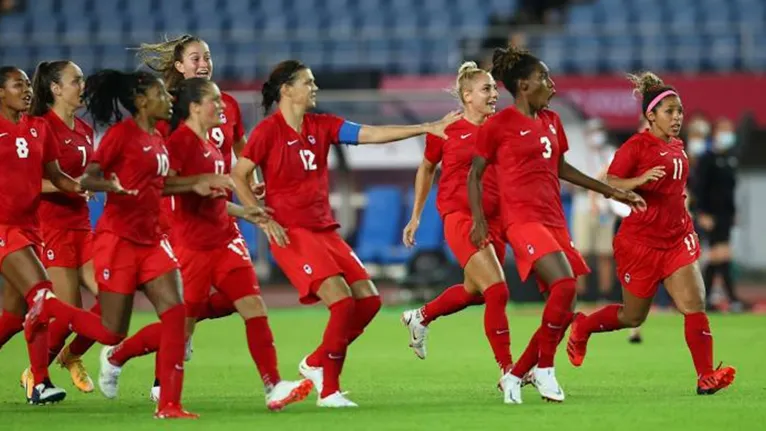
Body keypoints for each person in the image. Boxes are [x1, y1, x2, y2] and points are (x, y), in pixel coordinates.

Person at [231, 59, 459, 407]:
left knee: (368, 302)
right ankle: (329, 391)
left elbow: (371, 133)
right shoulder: (267, 132)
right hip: (292, 233)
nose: (314, 88)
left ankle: (316, 360)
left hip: (325, 230)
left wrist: (427, 127)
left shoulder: (321, 126)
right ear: (287, 90)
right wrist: (261, 219)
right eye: (308, 82)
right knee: (341, 302)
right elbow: (238, 175)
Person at [101, 78, 313, 411]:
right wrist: (193, 184)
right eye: (214, 101)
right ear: (196, 107)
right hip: (192, 247)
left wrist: (245, 212)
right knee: (180, 331)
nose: (223, 106)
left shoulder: (214, 148)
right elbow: (158, 185)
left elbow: (214, 198)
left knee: (254, 307)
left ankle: (273, 385)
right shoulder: (179, 144)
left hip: (225, 240)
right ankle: (120, 355)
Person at [467, 45, 645, 404]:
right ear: (523, 85)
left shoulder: (551, 121)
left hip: (554, 220)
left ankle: (515, 375)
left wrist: (611, 192)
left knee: (563, 309)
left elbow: (562, 169)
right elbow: (475, 174)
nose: (552, 84)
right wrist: (480, 219)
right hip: (523, 220)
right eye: (544, 78)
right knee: (564, 286)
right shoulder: (498, 125)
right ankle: (545, 369)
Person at [566, 72, 736, 395]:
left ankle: (705, 377)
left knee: (695, 302)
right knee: (632, 317)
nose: (677, 118)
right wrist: (639, 180)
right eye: (669, 111)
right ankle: (583, 326)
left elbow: (674, 191)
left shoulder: (679, 147)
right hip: (640, 243)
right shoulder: (637, 146)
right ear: (651, 115)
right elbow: (610, 183)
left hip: (675, 239)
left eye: (680, 111)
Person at [80, 69, 232, 418]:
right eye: (162, 95)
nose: (169, 100)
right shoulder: (122, 135)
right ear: (141, 101)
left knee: (177, 315)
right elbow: (89, 176)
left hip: (151, 240)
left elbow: (161, 186)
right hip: (119, 239)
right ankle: (51, 310)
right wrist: (111, 185)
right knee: (111, 330)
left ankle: (169, 405)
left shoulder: (159, 139)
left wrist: (197, 182)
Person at [0, 66, 129, 405]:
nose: (27, 90)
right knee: (48, 299)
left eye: (28, 84)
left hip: (46, 228)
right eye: (18, 85)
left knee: (14, 318)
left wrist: (82, 187)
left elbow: (57, 176)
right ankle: (39, 380)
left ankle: (55, 365)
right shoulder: (29, 127)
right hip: (23, 228)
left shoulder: (39, 128)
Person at [399, 62, 515, 401]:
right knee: (497, 290)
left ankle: (420, 316)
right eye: (486, 89)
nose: (494, 94)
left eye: (495, 88)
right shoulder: (447, 128)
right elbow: (426, 168)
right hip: (459, 215)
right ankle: (508, 371)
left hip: (495, 219)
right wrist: (415, 216)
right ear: (467, 95)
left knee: (476, 292)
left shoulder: (502, 126)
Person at [17, 60, 101, 394]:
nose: (82, 86)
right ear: (55, 88)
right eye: (75, 80)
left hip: (83, 227)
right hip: (51, 227)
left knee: (113, 300)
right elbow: (27, 182)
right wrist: (73, 185)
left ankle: (71, 355)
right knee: (68, 313)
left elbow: (84, 178)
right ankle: (34, 374)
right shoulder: (38, 127)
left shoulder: (84, 130)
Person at [695, 117, 743, 311]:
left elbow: (730, 190)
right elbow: (700, 188)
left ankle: (707, 298)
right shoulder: (707, 158)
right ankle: (730, 297)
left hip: (725, 215)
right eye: (724, 130)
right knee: (719, 255)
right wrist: (702, 212)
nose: (727, 135)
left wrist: (733, 213)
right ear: (715, 133)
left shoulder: (731, 158)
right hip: (711, 214)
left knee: (719, 257)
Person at [571, 118, 617, 301]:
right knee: (582, 251)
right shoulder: (577, 154)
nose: (596, 135)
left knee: (606, 253)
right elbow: (570, 181)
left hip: (606, 206)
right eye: (593, 131)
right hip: (583, 205)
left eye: (599, 130)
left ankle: (605, 294)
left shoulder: (610, 153)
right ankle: (580, 295)